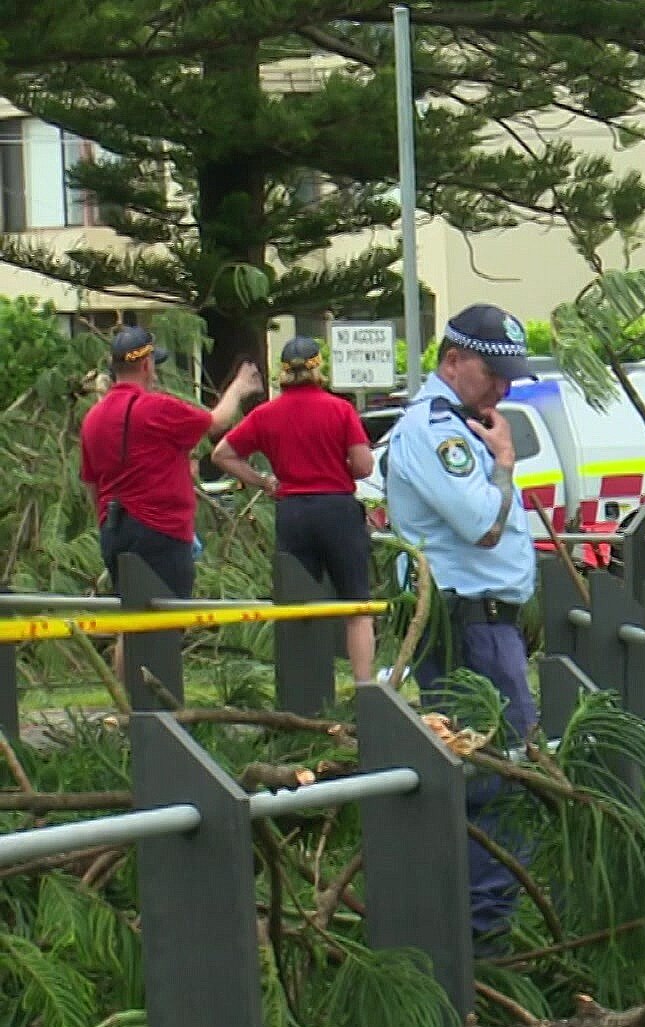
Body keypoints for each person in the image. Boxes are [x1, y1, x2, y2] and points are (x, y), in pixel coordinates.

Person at [383, 303, 535, 949]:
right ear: (452, 360)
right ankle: (482, 940)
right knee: (498, 776)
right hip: (468, 623)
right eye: (491, 372)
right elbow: (483, 524)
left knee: (496, 771)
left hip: (485, 622)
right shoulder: (433, 429)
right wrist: (504, 463)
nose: (502, 387)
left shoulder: (460, 423)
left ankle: (482, 930)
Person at [210, 336, 377, 681]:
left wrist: (263, 481)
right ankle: (365, 688)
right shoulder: (340, 409)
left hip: (293, 511)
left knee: (297, 602)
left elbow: (222, 454)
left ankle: (303, 685)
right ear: (318, 368)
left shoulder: (266, 415)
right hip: (337, 509)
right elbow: (364, 466)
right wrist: (335, 465)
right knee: (357, 606)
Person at [80, 326, 260, 599]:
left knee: (130, 622)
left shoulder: (93, 418)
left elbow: (92, 484)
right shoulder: (157, 408)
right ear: (146, 364)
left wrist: (105, 522)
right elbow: (216, 422)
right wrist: (239, 387)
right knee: (166, 622)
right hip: (160, 531)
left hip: (114, 529)